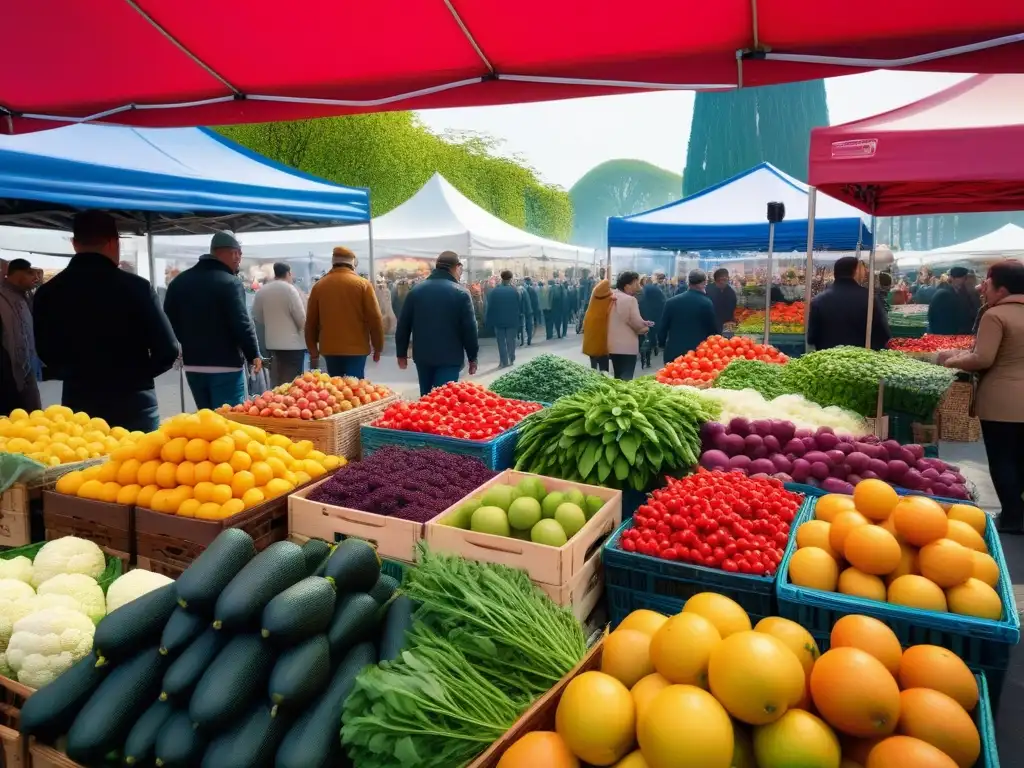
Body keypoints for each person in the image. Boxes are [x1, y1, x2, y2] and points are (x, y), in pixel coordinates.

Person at [34, 211, 178, 431]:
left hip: (80, 406)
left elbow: (45, 352)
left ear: (74, 244)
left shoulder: (47, 292)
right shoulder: (137, 288)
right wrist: (136, 374)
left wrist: (78, 374)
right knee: (138, 464)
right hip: (134, 404)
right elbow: (168, 349)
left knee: (85, 463)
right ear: (114, 242)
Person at [939, 261, 1024, 533]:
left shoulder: (995, 315)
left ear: (1002, 288)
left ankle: (1012, 517)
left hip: (1002, 402)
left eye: (988, 283)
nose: (982, 288)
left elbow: (983, 358)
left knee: (1003, 459)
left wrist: (951, 361)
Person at [164, 232, 262, 411]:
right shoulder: (230, 283)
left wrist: (186, 343)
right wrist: (253, 354)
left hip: (193, 364)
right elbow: (241, 322)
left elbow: (168, 319)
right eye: (238, 254)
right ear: (234, 253)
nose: (239, 259)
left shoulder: (179, 282)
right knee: (230, 423)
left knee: (207, 422)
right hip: (226, 365)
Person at [396, 252, 479, 396]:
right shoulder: (461, 293)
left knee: (426, 400)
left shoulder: (416, 291)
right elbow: (469, 330)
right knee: (443, 403)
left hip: (423, 357)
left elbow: (403, 324)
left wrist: (401, 353)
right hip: (450, 358)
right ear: (457, 267)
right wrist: (473, 357)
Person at [304, 247, 384, 379]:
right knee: (355, 389)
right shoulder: (363, 285)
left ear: (333, 262)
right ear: (353, 264)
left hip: (329, 348)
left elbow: (311, 322)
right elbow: (375, 319)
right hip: (357, 348)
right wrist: (378, 346)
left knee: (335, 389)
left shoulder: (319, 286)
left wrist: (313, 350)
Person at [807, 256, 891, 351]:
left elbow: (811, 338)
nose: (866, 271)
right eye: (863, 268)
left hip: (828, 361)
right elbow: (884, 334)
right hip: (860, 360)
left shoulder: (819, 300)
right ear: (856, 271)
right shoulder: (869, 299)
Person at [251, 262, 307, 386]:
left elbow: (257, 316)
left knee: (277, 381)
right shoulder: (290, 289)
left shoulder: (262, 291)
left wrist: (271, 324)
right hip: (293, 346)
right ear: (288, 273)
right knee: (293, 383)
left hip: (272, 344)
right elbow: (301, 317)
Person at [0, 259, 41, 412]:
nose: (35, 278)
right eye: (30, 273)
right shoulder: (3, 298)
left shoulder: (25, 297)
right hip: (7, 375)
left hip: (27, 369)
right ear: (17, 274)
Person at [659, 269, 720, 363]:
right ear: (704, 282)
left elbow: (663, 327)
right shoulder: (706, 303)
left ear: (689, 282)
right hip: (698, 353)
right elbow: (712, 329)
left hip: (673, 351)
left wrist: (662, 343)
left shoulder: (671, 302)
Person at [607, 271, 653, 380]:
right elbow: (636, 323)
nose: (639, 287)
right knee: (626, 378)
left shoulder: (611, 296)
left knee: (617, 376)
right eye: (636, 284)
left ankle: (616, 396)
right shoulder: (630, 300)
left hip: (612, 344)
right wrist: (645, 328)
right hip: (626, 346)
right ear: (627, 286)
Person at [485, 270, 520, 368]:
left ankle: (503, 361)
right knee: (511, 340)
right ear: (511, 278)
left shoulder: (494, 291)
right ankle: (511, 358)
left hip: (498, 320)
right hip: (512, 320)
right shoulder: (515, 290)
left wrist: (488, 320)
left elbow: (490, 307)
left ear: (501, 277)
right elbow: (519, 306)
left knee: (501, 342)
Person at [928, 267, 977, 335]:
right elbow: (943, 321)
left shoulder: (956, 293)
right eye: (963, 278)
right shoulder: (945, 295)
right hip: (944, 336)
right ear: (952, 278)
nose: (965, 281)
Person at [581, 268, 613, 372]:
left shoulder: (593, 304)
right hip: (602, 347)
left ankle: (594, 374)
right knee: (604, 369)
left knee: (593, 366)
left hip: (591, 346)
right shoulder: (607, 300)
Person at [637, 271, 668, 365]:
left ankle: (645, 351)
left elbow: (640, 303)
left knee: (646, 334)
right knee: (653, 333)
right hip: (656, 315)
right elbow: (664, 301)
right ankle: (653, 348)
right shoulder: (656, 290)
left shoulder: (642, 291)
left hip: (644, 315)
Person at [518, 280, 534, 346]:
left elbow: (523, 303)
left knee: (523, 327)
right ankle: (529, 340)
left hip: (525, 312)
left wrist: (521, 312)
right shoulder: (525, 290)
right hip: (529, 311)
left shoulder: (521, 291)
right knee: (529, 326)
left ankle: (523, 341)